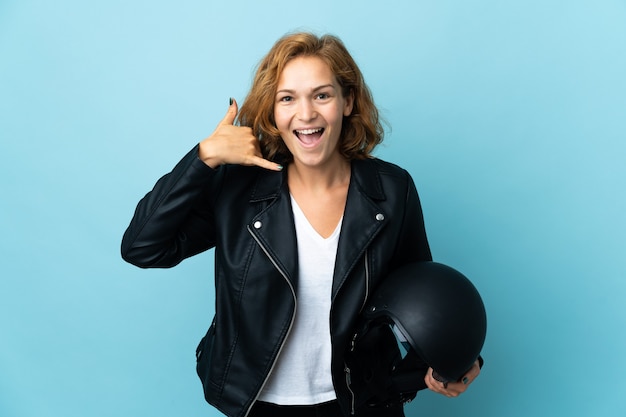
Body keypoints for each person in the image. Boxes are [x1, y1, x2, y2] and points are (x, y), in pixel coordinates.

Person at [121, 32, 480, 417]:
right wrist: (203, 158)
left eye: (321, 95)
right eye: (287, 98)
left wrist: (455, 358)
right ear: (273, 112)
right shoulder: (238, 189)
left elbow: (420, 297)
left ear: (347, 101)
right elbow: (143, 247)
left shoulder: (392, 191)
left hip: (359, 403)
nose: (305, 114)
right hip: (259, 404)